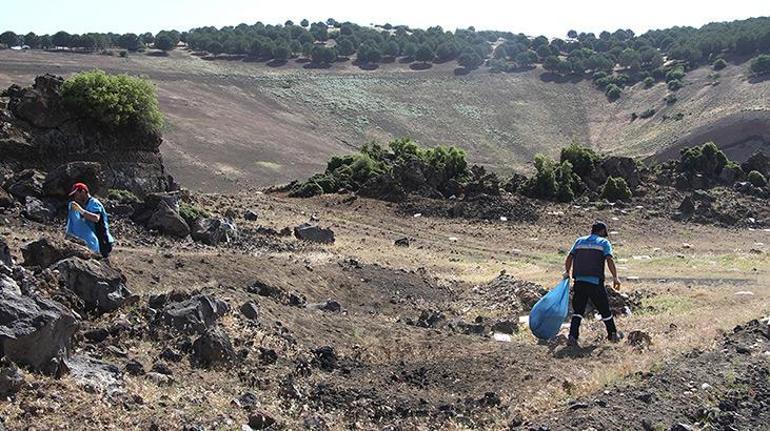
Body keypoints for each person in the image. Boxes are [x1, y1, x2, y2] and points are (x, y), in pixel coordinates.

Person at [563, 221, 623, 347]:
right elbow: (609, 259)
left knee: (578, 310)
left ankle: (573, 337)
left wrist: (567, 272)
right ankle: (612, 334)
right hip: (595, 282)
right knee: (604, 309)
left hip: (579, 281)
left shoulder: (579, 241)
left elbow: (570, 257)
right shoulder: (603, 243)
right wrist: (615, 278)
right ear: (602, 231)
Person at [65, 182, 114, 258]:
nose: (75, 197)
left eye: (76, 194)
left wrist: (81, 210)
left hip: (102, 240)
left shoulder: (94, 203)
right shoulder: (86, 205)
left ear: (83, 191)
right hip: (95, 239)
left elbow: (96, 218)